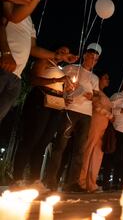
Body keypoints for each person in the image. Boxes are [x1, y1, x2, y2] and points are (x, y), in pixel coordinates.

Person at [0, 0, 62, 126]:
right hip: (3, 67)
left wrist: (57, 56)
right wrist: (6, 53)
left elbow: (33, 49)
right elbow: (12, 17)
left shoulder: (29, 21)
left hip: (16, 78)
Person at [11, 46, 73, 191]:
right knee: (31, 137)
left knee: (43, 142)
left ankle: (34, 179)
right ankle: (17, 178)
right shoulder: (44, 61)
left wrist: (65, 96)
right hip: (41, 99)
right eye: (62, 50)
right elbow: (33, 79)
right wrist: (57, 79)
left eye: (67, 51)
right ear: (55, 50)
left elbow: (59, 85)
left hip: (56, 104)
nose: (65, 53)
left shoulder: (60, 69)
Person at [45, 43, 101, 192]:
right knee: (60, 145)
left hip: (86, 114)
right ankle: (50, 180)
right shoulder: (71, 68)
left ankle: (72, 183)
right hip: (69, 110)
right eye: (89, 56)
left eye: (94, 58)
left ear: (96, 61)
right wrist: (63, 96)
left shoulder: (95, 78)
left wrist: (92, 97)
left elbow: (96, 97)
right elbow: (57, 83)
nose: (91, 59)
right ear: (84, 56)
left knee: (79, 149)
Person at [78, 70, 113, 193]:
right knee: (89, 149)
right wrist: (109, 115)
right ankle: (82, 181)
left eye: (108, 78)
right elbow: (96, 105)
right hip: (95, 122)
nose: (107, 80)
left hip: (104, 127)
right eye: (105, 77)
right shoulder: (95, 92)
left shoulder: (105, 95)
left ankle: (92, 182)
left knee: (98, 154)